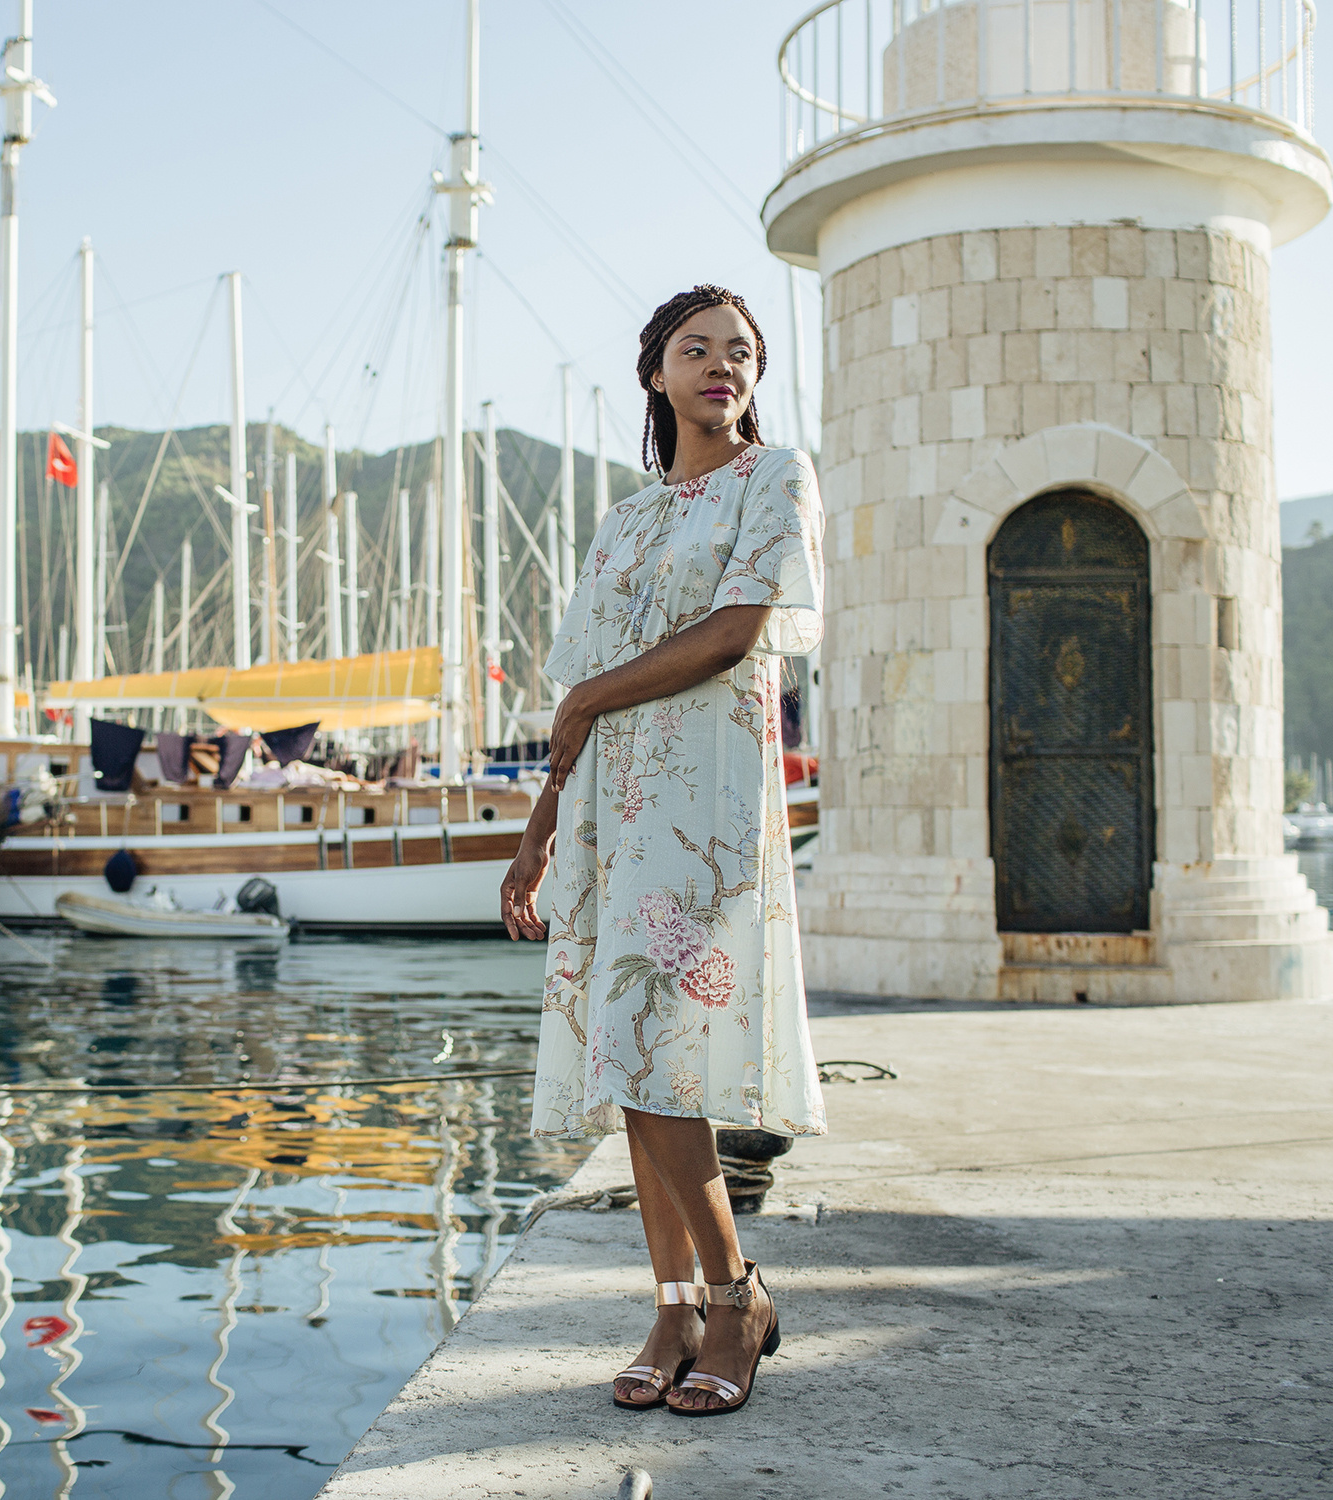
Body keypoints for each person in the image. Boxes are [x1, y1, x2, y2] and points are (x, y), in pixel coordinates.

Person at [501, 284, 826, 1418]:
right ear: (656, 373)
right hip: (609, 810)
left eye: (741, 352)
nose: (721, 367)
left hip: (709, 800)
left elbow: (738, 630)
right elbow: (572, 710)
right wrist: (537, 834)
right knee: (633, 1058)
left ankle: (737, 1299)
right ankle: (675, 1303)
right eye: (697, 350)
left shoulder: (775, 480)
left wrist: (593, 692)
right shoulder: (623, 522)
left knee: (664, 1048)